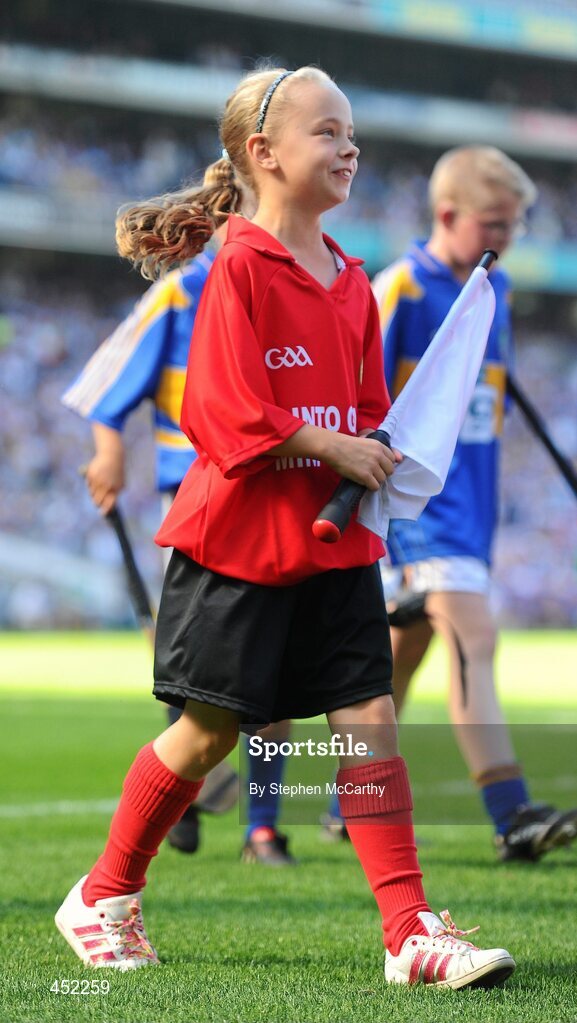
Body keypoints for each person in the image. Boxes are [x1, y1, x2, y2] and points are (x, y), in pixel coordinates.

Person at [55, 66, 515, 988]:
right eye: (329, 131)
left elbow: (367, 404)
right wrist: (333, 448)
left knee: (368, 722)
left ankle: (408, 929)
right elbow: (221, 413)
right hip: (238, 545)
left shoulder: (349, 279)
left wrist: (379, 451)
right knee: (208, 733)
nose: (351, 147)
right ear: (263, 155)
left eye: (352, 132)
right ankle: (102, 892)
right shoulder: (236, 266)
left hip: (337, 546)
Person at [62, 178, 295, 866]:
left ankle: (262, 826)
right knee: (197, 665)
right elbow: (108, 387)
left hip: (271, 494)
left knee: (275, 667)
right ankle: (187, 798)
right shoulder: (182, 291)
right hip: (194, 498)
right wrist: (109, 454)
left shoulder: (290, 287)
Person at [372, 145, 577, 863]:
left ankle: (347, 802)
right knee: (473, 638)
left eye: (516, 224)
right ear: (448, 213)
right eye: (495, 223)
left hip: (473, 507)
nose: (507, 238)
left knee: (399, 662)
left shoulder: (499, 288)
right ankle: (509, 810)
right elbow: (358, 395)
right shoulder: (398, 288)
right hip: (419, 512)